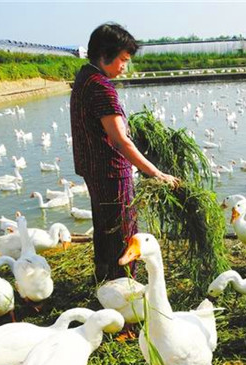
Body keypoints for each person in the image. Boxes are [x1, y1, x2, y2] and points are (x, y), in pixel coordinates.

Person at [70, 23, 178, 281]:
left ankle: (103, 277)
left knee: (104, 225)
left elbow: (102, 126)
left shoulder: (84, 77)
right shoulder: (102, 87)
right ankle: (124, 284)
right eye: (122, 60)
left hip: (91, 167)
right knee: (122, 230)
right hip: (111, 171)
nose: (124, 67)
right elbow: (119, 141)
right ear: (104, 54)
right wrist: (156, 173)